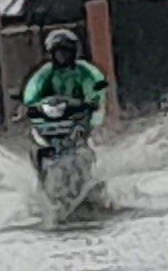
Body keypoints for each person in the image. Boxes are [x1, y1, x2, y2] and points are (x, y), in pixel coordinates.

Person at [21, 26, 107, 173]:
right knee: (36, 143)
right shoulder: (46, 72)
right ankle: (41, 177)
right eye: (59, 51)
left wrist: (92, 101)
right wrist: (29, 104)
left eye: (66, 50)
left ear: (74, 52)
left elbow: (94, 85)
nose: (63, 55)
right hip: (50, 121)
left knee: (89, 143)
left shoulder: (84, 71)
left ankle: (91, 173)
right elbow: (33, 89)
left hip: (79, 120)